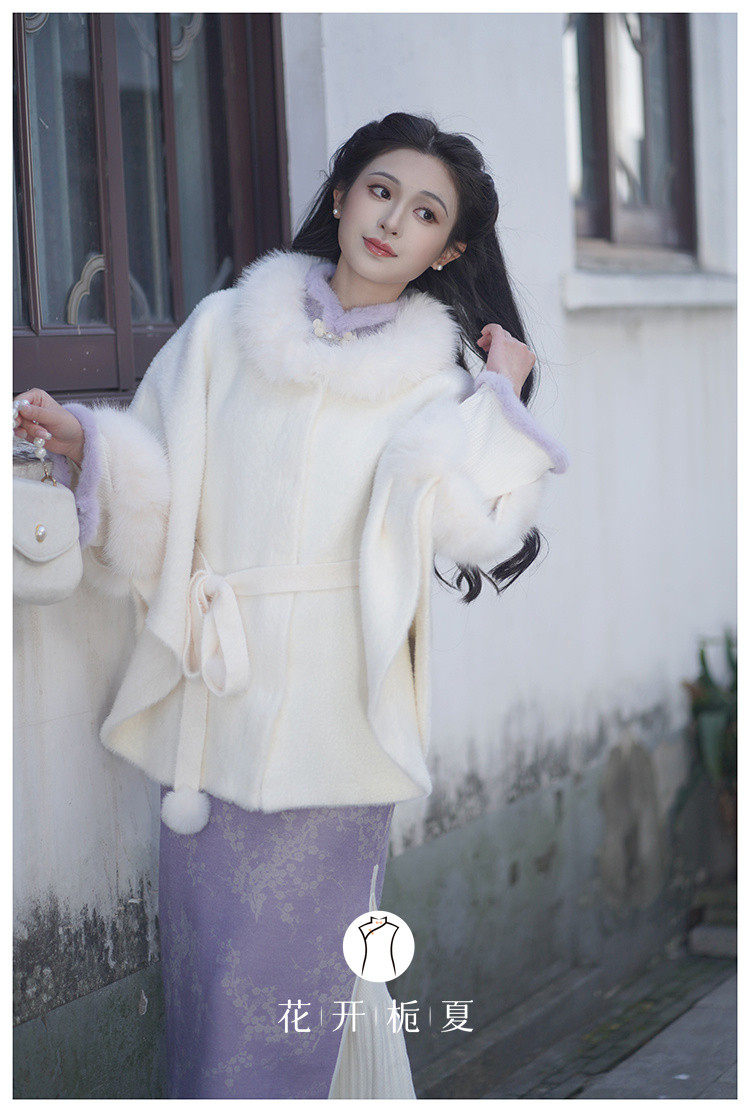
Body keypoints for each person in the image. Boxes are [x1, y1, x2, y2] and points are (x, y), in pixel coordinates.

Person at [13, 111, 570, 1099]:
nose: (392, 220)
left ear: (451, 250)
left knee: (302, 987)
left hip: (336, 721)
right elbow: (162, 482)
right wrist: (86, 446)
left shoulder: (433, 382)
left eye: (425, 212)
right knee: (211, 990)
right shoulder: (226, 328)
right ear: (344, 193)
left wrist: (499, 393)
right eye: (381, 191)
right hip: (215, 706)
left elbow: (469, 526)